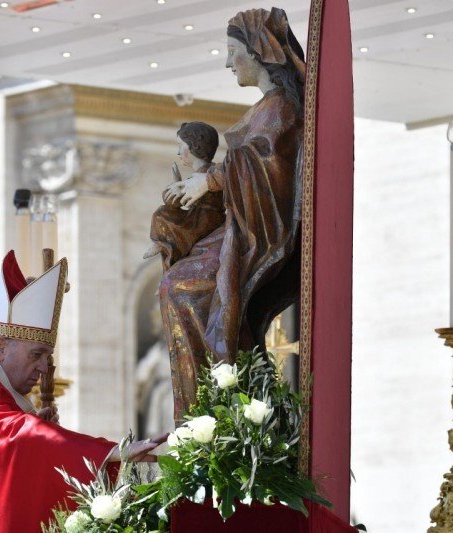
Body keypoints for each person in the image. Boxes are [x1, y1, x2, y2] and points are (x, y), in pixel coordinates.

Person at [0, 251, 162, 533]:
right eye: (36, 354)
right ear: (1, 347)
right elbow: (16, 437)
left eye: (47, 357)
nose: (44, 368)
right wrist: (110, 453)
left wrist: (41, 435)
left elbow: (2, 456)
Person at [158, 7, 306, 420]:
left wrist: (209, 181)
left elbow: (264, 165)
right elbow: (249, 163)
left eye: (232, 52)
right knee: (176, 285)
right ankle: (206, 405)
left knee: (181, 288)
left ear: (258, 53)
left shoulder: (281, 109)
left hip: (259, 231)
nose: (227, 63)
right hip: (242, 222)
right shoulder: (267, 107)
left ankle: (210, 405)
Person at [143, 121, 225, 271]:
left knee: (161, 214)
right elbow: (175, 201)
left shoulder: (211, 173)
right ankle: (160, 243)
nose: (178, 152)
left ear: (195, 147)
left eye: (181, 146)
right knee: (162, 212)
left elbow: (180, 198)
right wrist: (175, 187)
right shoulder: (198, 176)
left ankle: (161, 242)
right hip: (197, 216)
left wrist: (177, 189)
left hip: (205, 220)